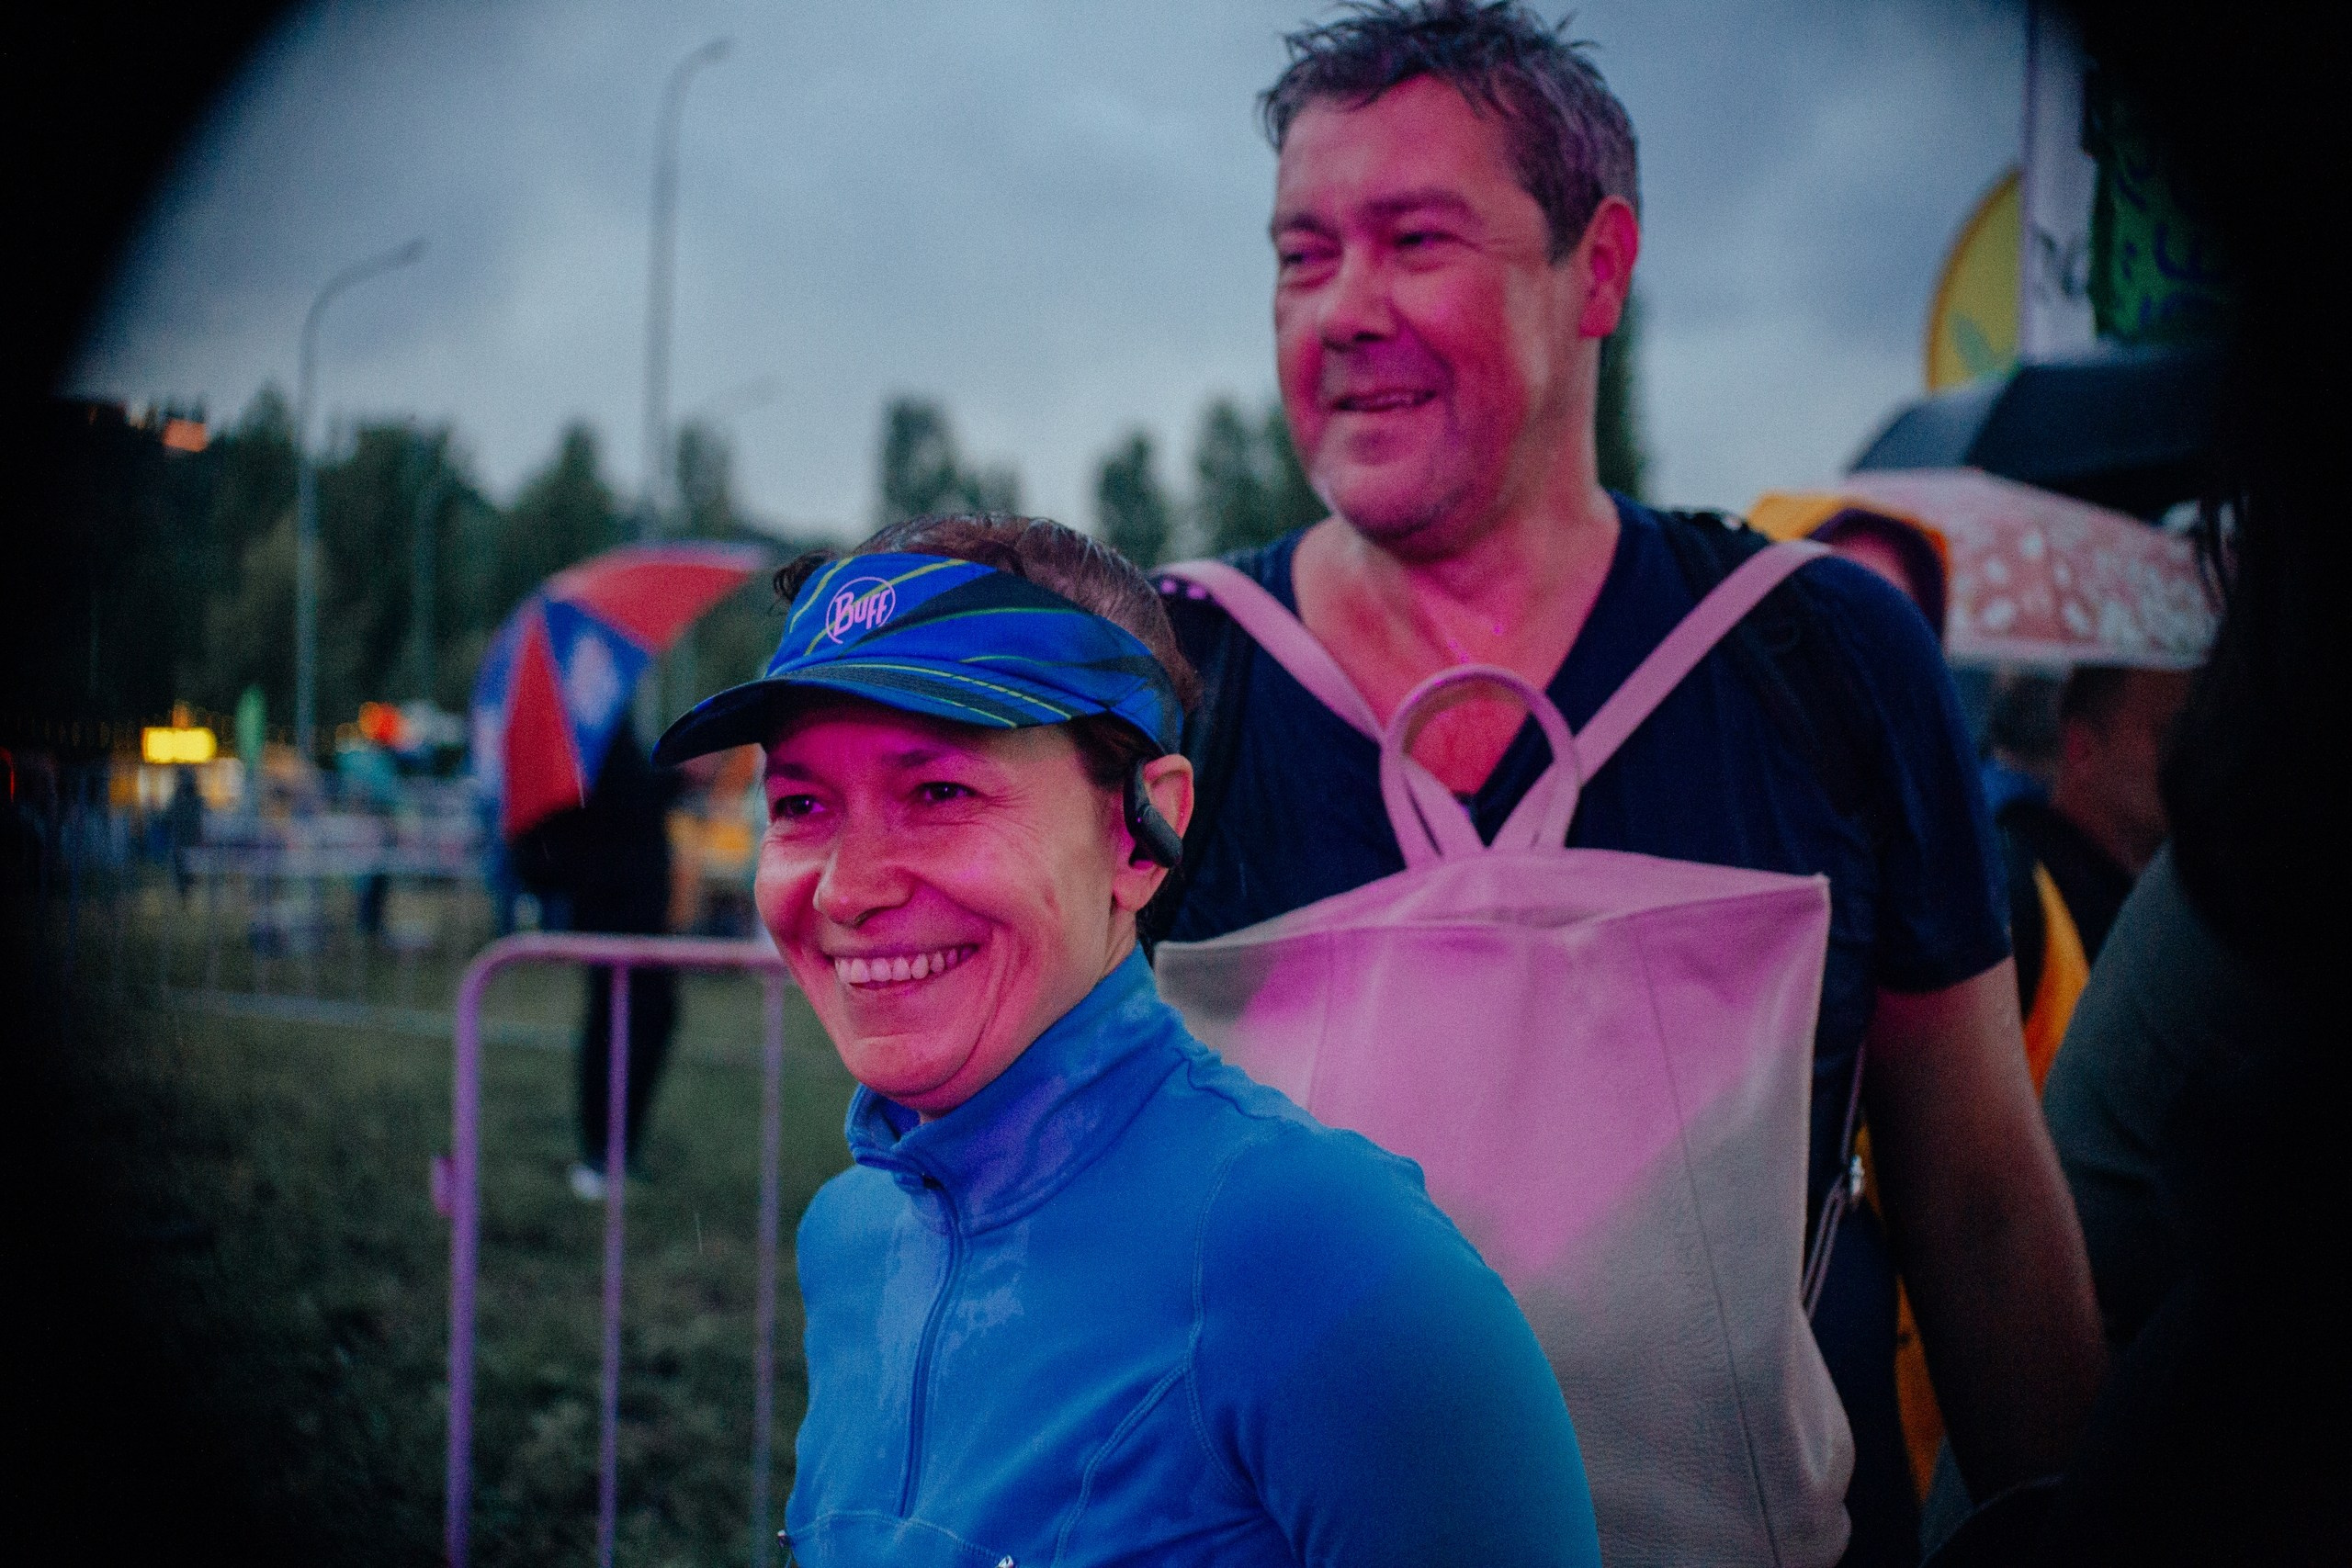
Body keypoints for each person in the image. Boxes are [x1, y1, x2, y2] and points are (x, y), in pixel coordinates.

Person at [1147, 6, 2104, 1562]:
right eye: (1303, 256)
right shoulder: (1170, 676)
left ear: (1597, 268)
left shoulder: (1824, 660)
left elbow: (1981, 1198)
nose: (1346, 309)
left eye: (1417, 239)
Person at [651, 513, 1601, 1567]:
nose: (847, 887)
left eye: (939, 793)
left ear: (1140, 834)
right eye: (800, 804)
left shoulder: (1335, 1260)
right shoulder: (853, 1233)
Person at [509, 717, 682, 1201]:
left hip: (628, 906)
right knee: (623, 1025)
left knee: (633, 1022)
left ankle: (615, 1149)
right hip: (618, 908)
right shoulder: (583, 727)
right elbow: (621, 804)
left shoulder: (597, 719)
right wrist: (679, 778)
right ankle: (603, 1153)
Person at [1996, 665, 2189, 1079]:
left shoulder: (2171, 912)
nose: (2189, 758)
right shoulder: (2012, 893)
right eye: (2166, 734)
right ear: (2081, 747)